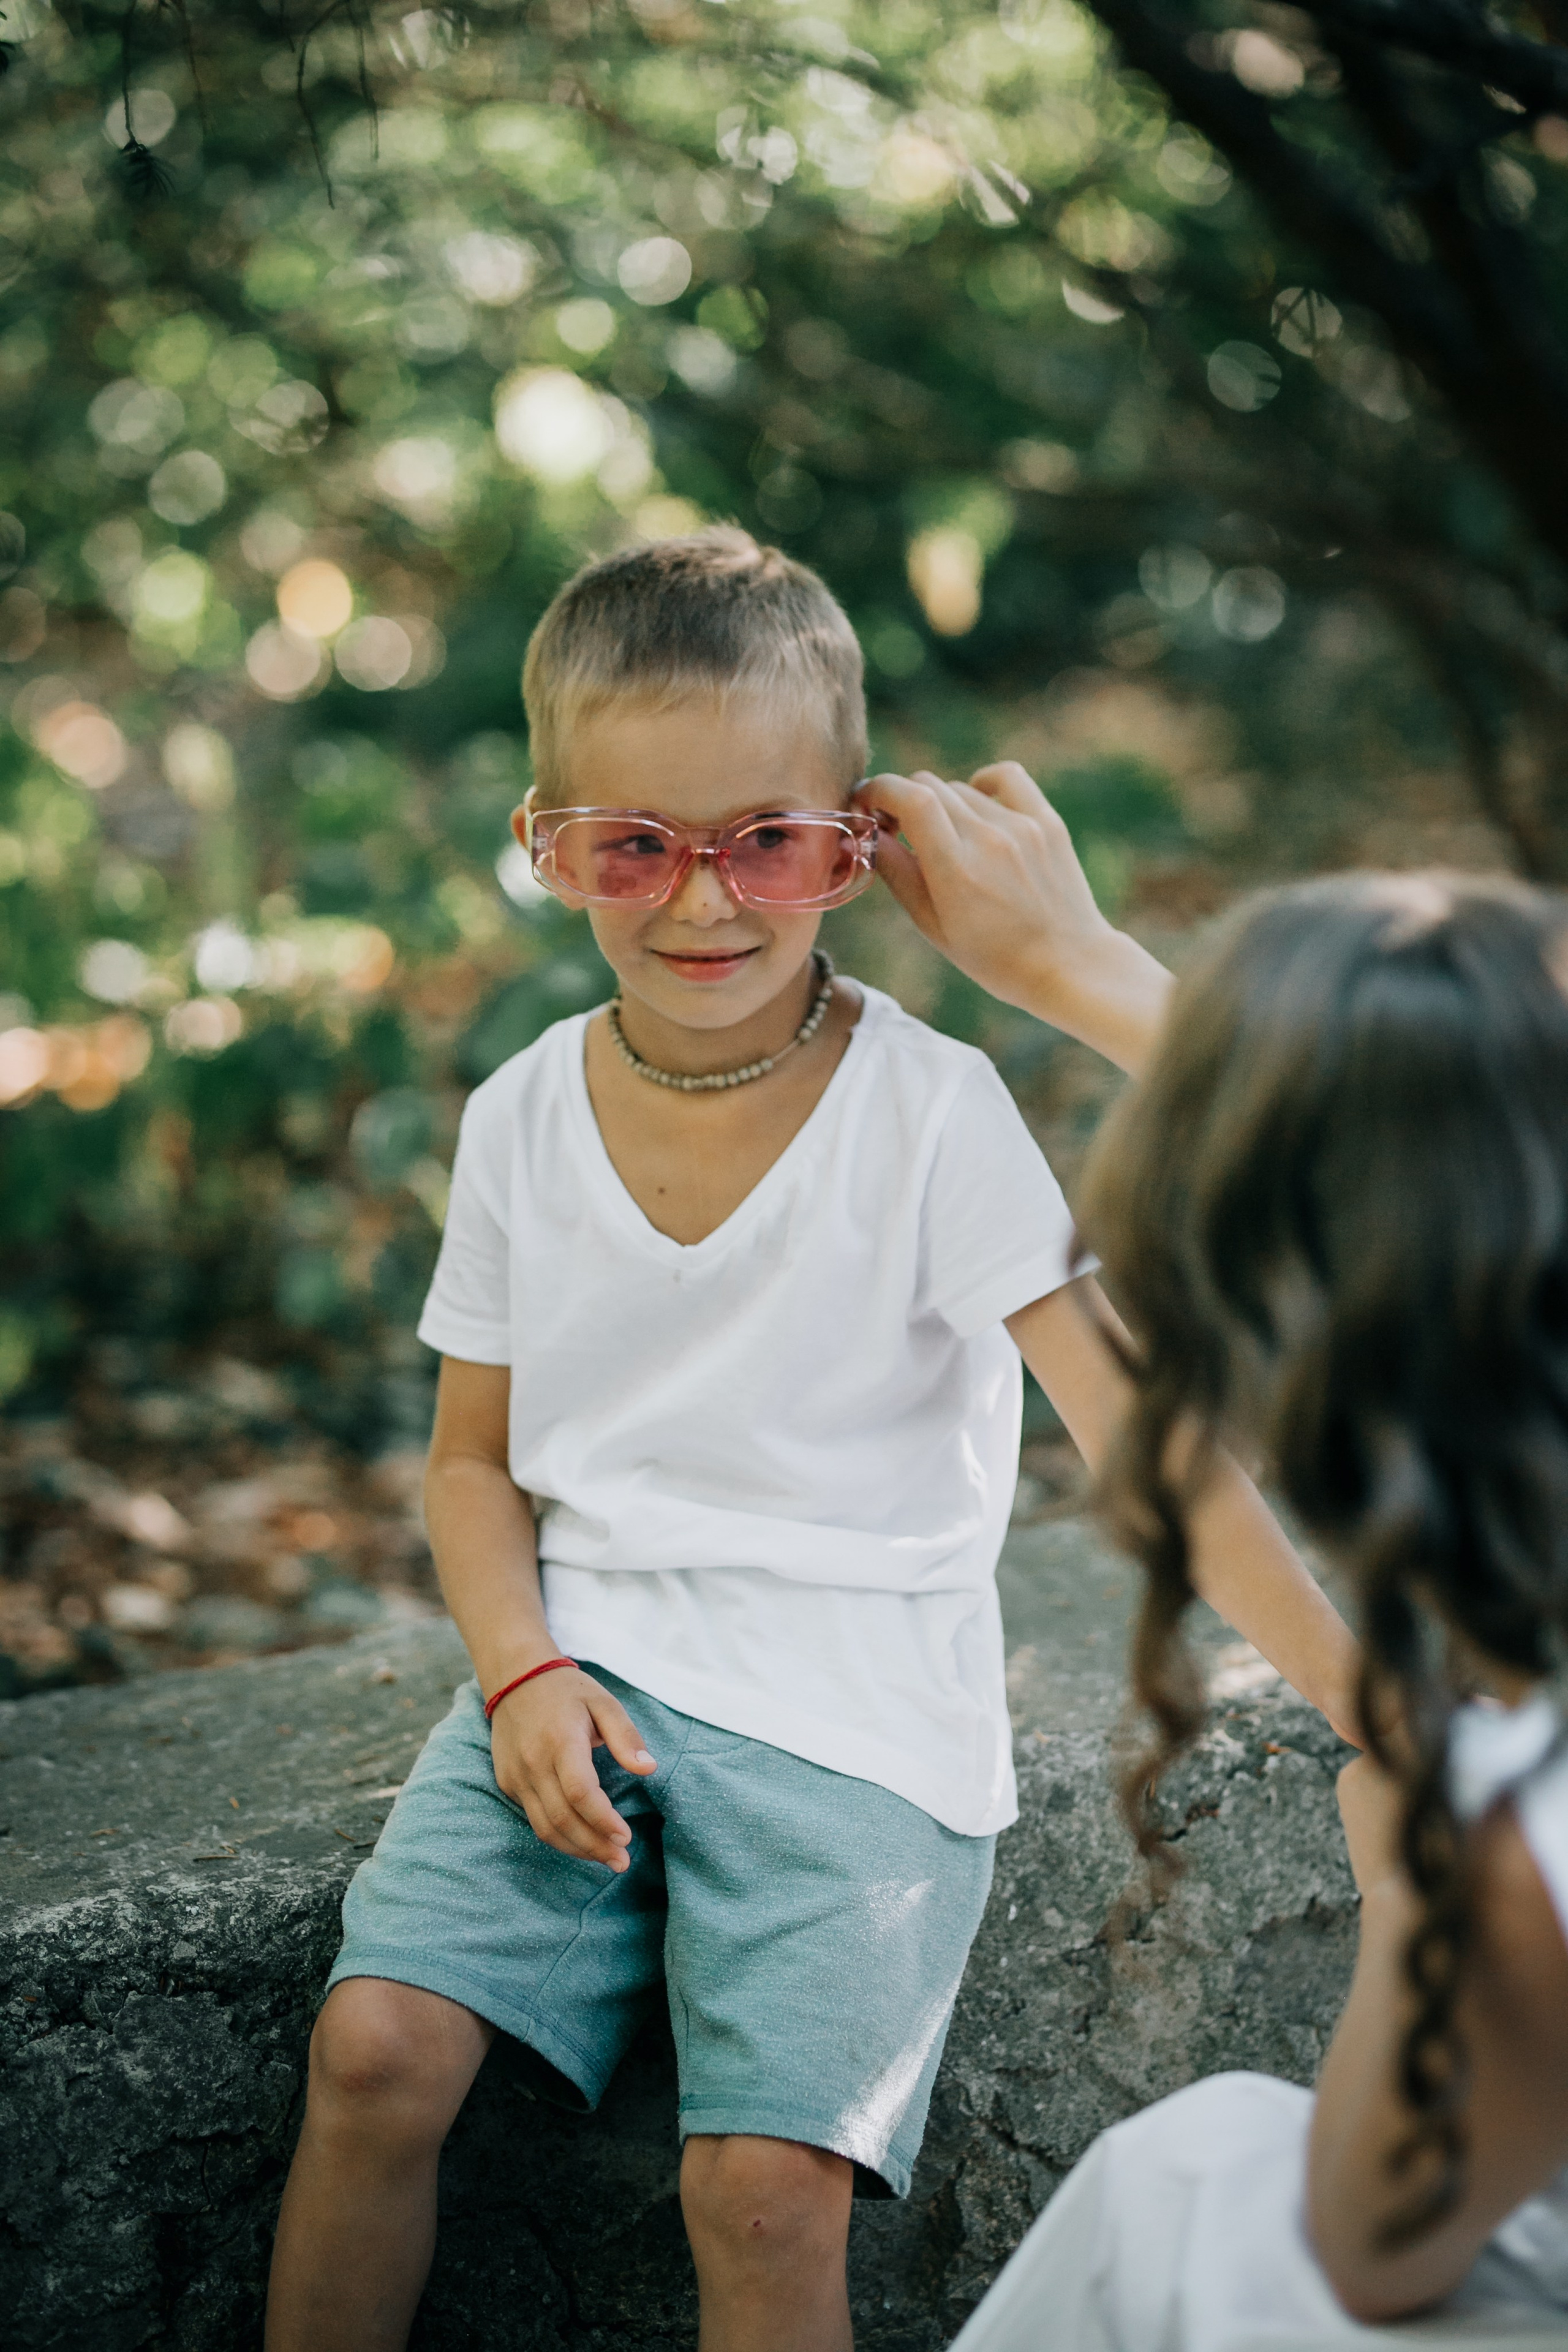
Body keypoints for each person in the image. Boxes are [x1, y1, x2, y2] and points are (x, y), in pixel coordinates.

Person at [265, 535, 1357, 2352]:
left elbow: (1136, 1436)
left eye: (767, 839)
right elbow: (473, 1465)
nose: (704, 902)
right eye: (635, 844)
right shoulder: (523, 1115)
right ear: (547, 843)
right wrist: (520, 1670)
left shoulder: (932, 1114)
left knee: (765, 2193)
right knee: (372, 2050)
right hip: (582, 1680)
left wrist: (1355, 1692)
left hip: (857, 1716)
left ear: (861, 842)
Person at [858, 769, 1568, 2340]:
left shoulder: (1522, 1850)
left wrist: (1408, 1883)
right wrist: (1070, 962)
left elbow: (1375, 2242)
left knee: (1189, 2180)